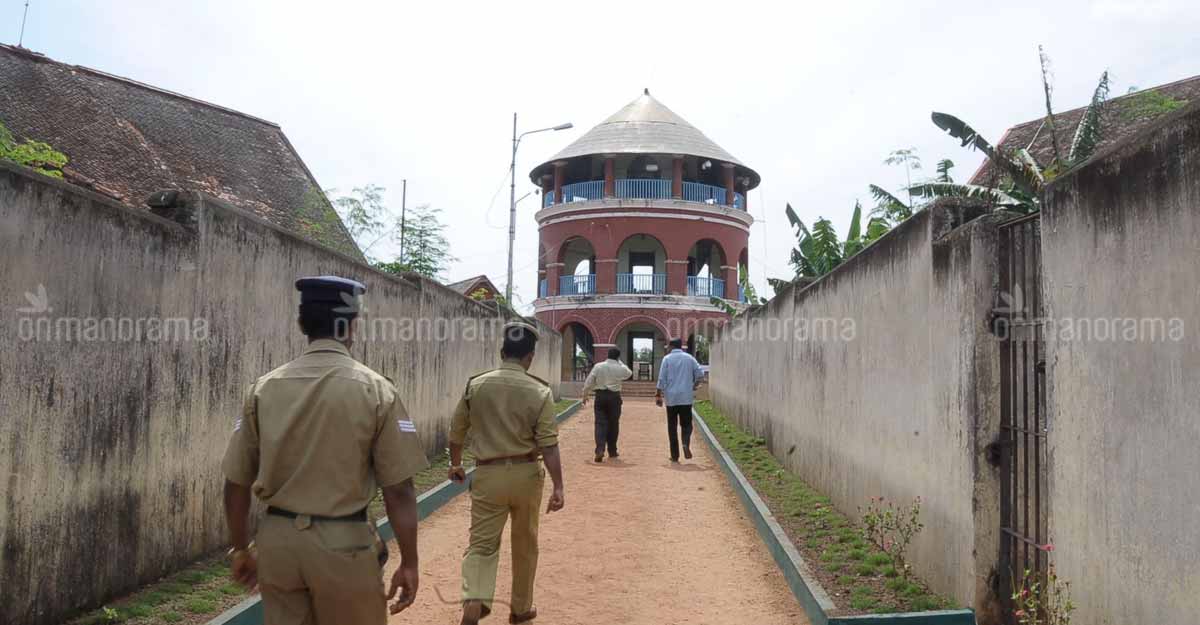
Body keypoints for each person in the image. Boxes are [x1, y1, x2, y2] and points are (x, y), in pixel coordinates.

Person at [221, 275, 428, 625]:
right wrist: (409, 562)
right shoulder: (376, 390)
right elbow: (399, 490)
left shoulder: (264, 389)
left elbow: (235, 481)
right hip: (344, 544)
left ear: (302, 323)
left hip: (278, 544)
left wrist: (241, 549)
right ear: (352, 326)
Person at [448, 321, 566, 625]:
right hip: (526, 474)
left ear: (502, 352)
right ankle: (521, 608)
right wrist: (558, 487)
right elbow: (549, 445)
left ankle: (475, 599)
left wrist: (456, 463)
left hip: (488, 475)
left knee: (481, 544)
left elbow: (456, 431)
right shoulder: (539, 391)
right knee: (526, 543)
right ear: (530, 357)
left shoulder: (476, 385)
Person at [654, 338, 705, 462]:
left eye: (668, 346)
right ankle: (685, 443)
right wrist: (695, 384)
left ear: (671, 347)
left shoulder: (666, 359)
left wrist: (658, 395)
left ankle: (675, 455)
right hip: (686, 397)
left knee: (672, 426)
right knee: (686, 424)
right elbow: (700, 374)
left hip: (671, 398)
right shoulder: (689, 358)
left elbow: (661, 378)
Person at [580, 347, 633, 463]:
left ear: (607, 355)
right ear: (618, 357)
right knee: (614, 424)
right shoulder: (620, 368)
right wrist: (619, 361)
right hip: (614, 397)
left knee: (600, 423)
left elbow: (589, 381)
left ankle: (600, 449)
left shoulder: (599, 366)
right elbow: (629, 373)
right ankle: (612, 451)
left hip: (600, 397)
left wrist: (585, 396)